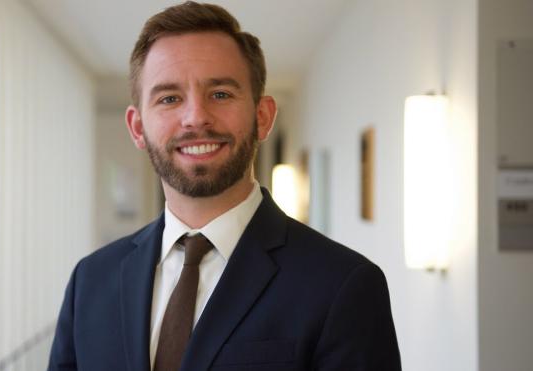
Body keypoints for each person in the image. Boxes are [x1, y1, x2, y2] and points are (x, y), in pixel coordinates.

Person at [48, 2, 401, 370]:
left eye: (220, 94)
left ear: (262, 117)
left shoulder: (342, 285)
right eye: (169, 98)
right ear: (138, 128)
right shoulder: (89, 283)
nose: (196, 117)